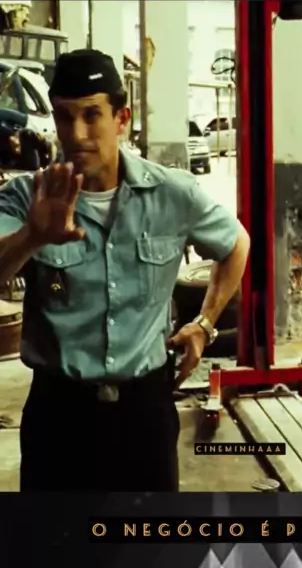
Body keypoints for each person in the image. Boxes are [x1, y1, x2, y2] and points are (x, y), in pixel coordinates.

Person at [0, 49, 250, 492]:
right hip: (58, 415)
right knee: (54, 536)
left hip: (144, 413)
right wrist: (32, 237)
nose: (77, 134)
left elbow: (236, 244)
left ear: (122, 118)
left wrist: (204, 324)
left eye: (92, 115)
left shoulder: (172, 194)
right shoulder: (27, 197)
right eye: (64, 117)